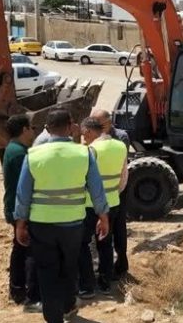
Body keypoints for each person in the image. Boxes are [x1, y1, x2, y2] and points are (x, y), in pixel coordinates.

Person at [13, 109, 110, 323]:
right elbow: (97, 190)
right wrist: (103, 216)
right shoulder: (84, 154)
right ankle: (67, 306)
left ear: (47, 129)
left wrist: (20, 223)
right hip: (73, 225)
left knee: (47, 270)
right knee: (69, 266)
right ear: (70, 127)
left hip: (42, 225)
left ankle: (53, 317)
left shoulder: (33, 155)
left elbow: (23, 194)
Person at [77, 117, 128, 298]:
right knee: (106, 243)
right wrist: (113, 193)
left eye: (84, 135)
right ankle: (106, 283)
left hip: (91, 205)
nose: (83, 139)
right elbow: (124, 177)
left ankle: (87, 285)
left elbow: (84, 179)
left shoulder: (91, 150)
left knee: (82, 244)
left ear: (90, 131)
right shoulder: (120, 146)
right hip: (113, 203)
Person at [1, 114, 41, 312]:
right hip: (19, 211)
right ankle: (25, 292)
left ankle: (17, 289)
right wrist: (21, 220)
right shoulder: (20, 154)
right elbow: (23, 188)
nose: (33, 131)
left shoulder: (14, 149)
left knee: (20, 249)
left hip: (15, 208)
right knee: (26, 250)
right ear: (24, 129)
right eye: (31, 128)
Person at [89, 108, 130, 279]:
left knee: (118, 232)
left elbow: (122, 169)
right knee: (103, 236)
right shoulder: (93, 142)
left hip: (117, 193)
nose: (96, 127)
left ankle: (120, 265)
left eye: (99, 124)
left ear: (109, 122)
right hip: (106, 195)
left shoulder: (120, 138)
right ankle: (105, 269)